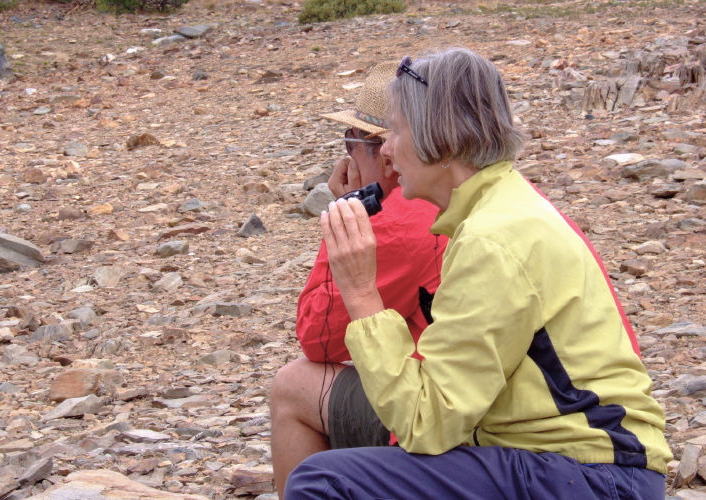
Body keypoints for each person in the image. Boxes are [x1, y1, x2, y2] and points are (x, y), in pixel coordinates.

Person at [284, 47, 672, 499]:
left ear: (440, 138)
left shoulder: (491, 239)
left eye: (396, 130)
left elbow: (425, 423)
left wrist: (360, 291)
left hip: (594, 476)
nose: (387, 149)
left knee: (322, 481)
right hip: (589, 465)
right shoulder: (501, 207)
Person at [270, 62, 446, 498]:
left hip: (450, 425)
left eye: (352, 142)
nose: (347, 157)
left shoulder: (399, 220)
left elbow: (317, 337)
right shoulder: (463, 194)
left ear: (385, 150)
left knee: (292, 386)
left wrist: (347, 213)